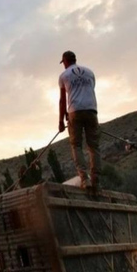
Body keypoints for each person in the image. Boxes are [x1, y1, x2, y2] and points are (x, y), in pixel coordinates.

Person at [58, 51, 102, 192]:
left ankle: (84, 179)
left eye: (63, 62)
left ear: (65, 61)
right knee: (93, 146)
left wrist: (60, 120)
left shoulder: (64, 76)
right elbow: (90, 90)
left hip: (74, 112)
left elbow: (62, 100)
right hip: (91, 110)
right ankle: (96, 180)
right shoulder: (89, 72)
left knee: (76, 145)